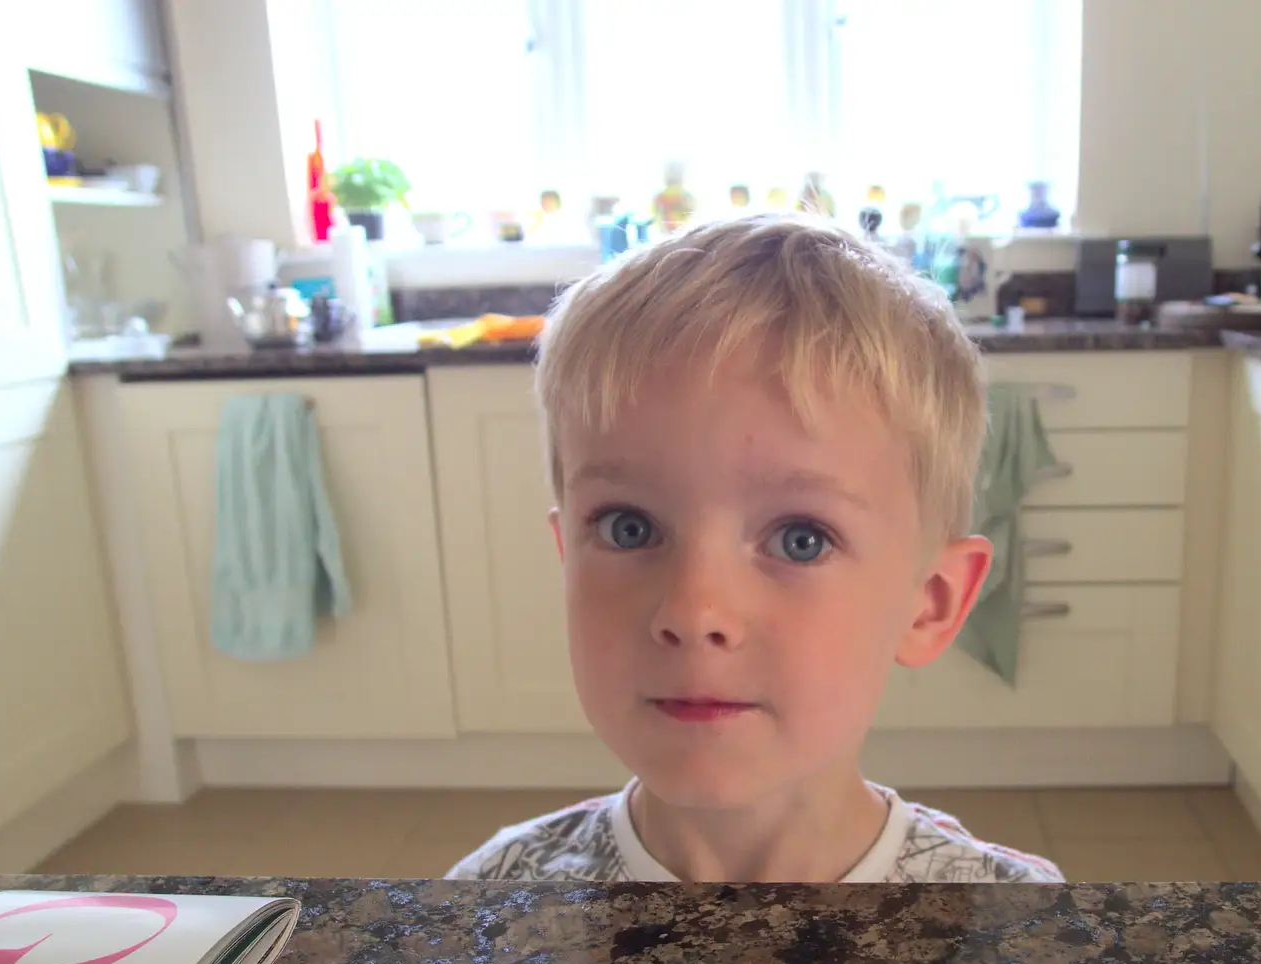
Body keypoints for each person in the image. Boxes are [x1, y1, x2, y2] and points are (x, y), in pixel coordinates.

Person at [447, 215, 1062, 884]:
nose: (693, 610)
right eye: (630, 527)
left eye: (801, 540)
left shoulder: (1012, 929)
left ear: (929, 604)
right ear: (568, 555)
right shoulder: (493, 896)